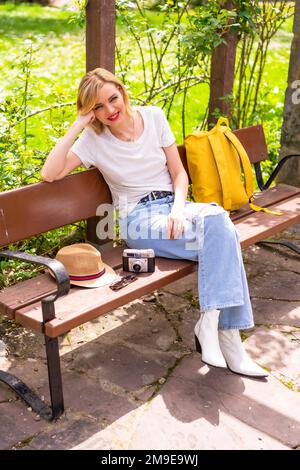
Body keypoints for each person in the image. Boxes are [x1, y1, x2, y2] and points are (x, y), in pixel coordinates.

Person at [41, 67, 267, 378]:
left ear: (123, 92)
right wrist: (77, 126)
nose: (109, 110)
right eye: (97, 107)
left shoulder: (154, 117)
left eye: (112, 99)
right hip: (141, 223)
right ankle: (231, 342)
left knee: (220, 229)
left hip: (176, 211)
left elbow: (178, 174)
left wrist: (176, 209)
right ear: (90, 113)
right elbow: (49, 174)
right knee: (222, 234)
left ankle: (212, 324)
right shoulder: (93, 140)